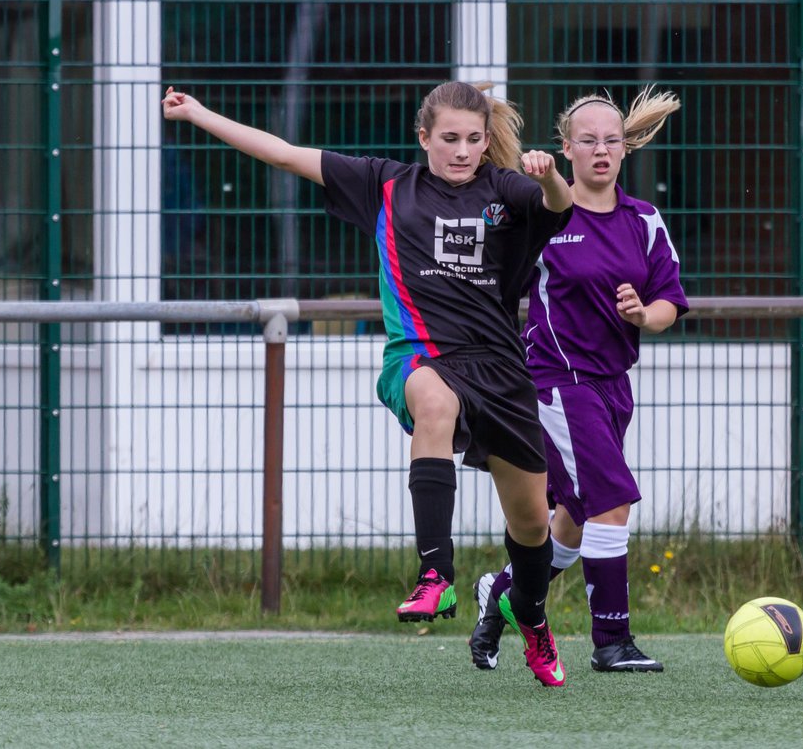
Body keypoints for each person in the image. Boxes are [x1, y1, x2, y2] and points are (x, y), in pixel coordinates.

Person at [161, 80, 573, 687]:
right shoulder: (386, 185)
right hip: (423, 355)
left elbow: (561, 207)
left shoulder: (506, 190)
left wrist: (547, 176)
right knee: (432, 400)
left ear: (487, 142)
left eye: (474, 139)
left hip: (501, 369)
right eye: (450, 138)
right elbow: (281, 152)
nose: (462, 151)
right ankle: (436, 575)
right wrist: (198, 114)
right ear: (423, 137)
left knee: (533, 523)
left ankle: (530, 616)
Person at [467, 86, 689, 673]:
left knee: (570, 521)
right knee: (612, 502)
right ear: (566, 148)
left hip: (614, 387)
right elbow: (499, 250)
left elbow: (670, 302)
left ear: (624, 149)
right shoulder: (548, 218)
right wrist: (532, 179)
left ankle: (502, 593)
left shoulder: (644, 221)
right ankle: (611, 641)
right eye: (587, 140)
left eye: (611, 140)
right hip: (556, 383)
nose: (600, 150)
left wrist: (645, 315)